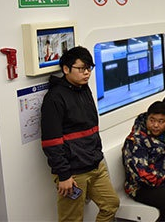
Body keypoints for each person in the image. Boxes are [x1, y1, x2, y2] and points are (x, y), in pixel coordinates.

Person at [40, 46, 119, 222]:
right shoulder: (55, 98)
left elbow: (91, 127)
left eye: (89, 68)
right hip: (73, 171)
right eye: (81, 68)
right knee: (72, 219)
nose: (87, 73)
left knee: (111, 204)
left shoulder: (84, 89)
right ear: (66, 69)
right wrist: (64, 174)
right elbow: (51, 142)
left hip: (95, 164)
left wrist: (97, 154)